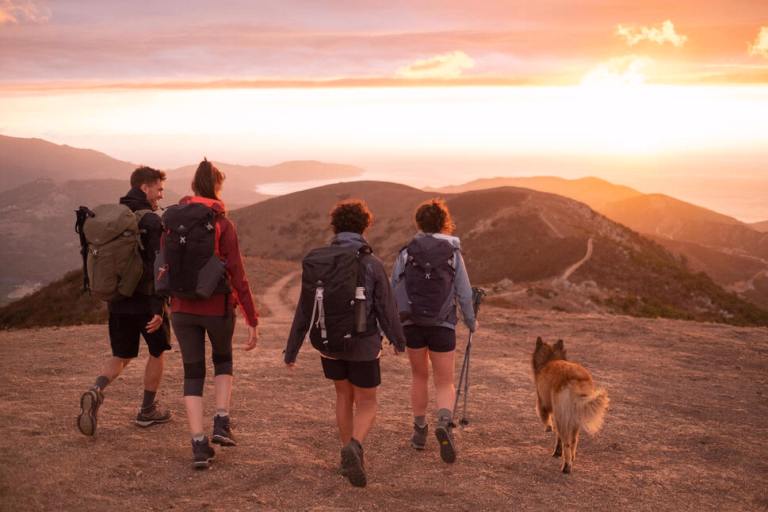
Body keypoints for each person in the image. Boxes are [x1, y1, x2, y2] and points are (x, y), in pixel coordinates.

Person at [284, 199, 406, 488]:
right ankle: (355, 447)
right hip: (363, 345)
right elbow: (386, 307)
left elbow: (304, 309)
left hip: (329, 344)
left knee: (343, 397)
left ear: (335, 227)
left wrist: (292, 349)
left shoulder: (320, 262)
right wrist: (397, 340)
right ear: (365, 226)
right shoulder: (370, 262)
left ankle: (348, 456)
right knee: (367, 402)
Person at [169, 158, 259, 469]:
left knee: (192, 373)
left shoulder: (173, 221)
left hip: (180, 309)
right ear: (218, 188)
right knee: (223, 359)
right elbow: (238, 274)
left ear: (192, 188)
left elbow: (163, 265)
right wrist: (252, 319)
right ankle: (221, 422)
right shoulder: (222, 224)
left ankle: (198, 445)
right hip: (217, 306)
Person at [77, 166, 173, 436]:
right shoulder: (150, 221)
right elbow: (158, 265)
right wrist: (158, 306)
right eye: (159, 190)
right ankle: (147, 411)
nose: (160, 196)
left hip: (117, 299)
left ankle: (96, 389)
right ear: (145, 188)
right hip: (145, 300)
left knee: (121, 354)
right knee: (157, 352)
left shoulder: (114, 218)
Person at [391, 198, 477, 463]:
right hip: (443, 325)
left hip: (412, 325)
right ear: (444, 223)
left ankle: (419, 432)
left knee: (419, 376)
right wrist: (470, 321)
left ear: (419, 222)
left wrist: (395, 327)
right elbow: (463, 292)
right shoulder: (453, 252)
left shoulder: (407, 252)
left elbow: (395, 288)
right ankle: (443, 421)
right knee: (444, 381)